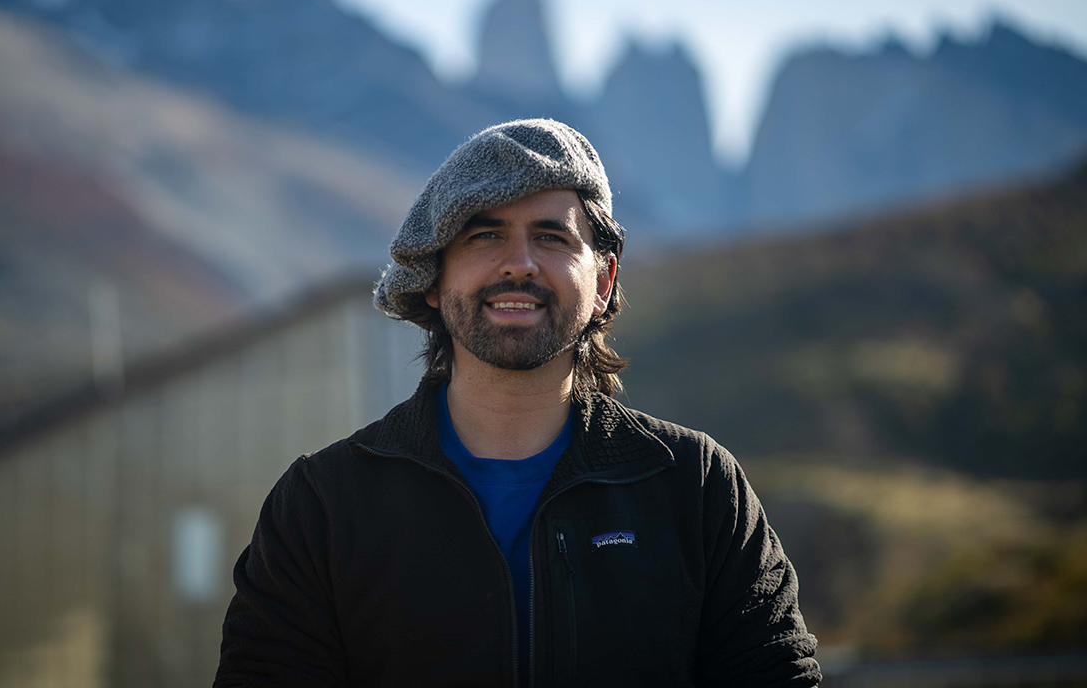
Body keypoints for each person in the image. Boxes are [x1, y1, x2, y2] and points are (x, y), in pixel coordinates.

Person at [214, 119, 821, 687]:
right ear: (433, 279)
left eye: (551, 237)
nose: (519, 264)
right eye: (485, 236)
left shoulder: (696, 487)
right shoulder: (322, 505)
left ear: (603, 282)